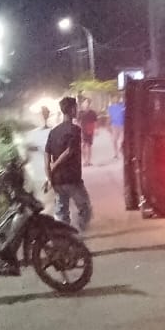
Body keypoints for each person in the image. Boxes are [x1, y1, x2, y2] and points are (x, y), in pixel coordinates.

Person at [46, 96, 91, 231]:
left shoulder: (53, 132)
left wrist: (49, 177)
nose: (77, 110)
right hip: (71, 177)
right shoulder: (75, 129)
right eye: (76, 108)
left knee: (62, 210)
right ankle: (79, 231)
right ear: (72, 110)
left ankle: (64, 235)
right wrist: (54, 166)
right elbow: (69, 151)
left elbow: (46, 155)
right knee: (84, 207)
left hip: (57, 180)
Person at [78, 97, 99, 167]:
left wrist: (96, 129)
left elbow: (95, 121)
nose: (86, 104)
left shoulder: (92, 112)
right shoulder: (80, 112)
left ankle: (89, 161)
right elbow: (78, 122)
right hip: (82, 130)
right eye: (85, 102)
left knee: (89, 145)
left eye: (87, 102)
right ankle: (85, 161)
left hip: (90, 129)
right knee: (83, 145)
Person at [108, 94, 126, 160]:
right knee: (114, 140)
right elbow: (110, 117)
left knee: (122, 140)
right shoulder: (110, 108)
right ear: (112, 99)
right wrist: (108, 125)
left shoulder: (122, 106)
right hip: (114, 125)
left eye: (116, 98)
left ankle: (121, 149)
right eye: (114, 98)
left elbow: (125, 115)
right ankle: (116, 154)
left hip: (122, 125)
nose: (115, 99)